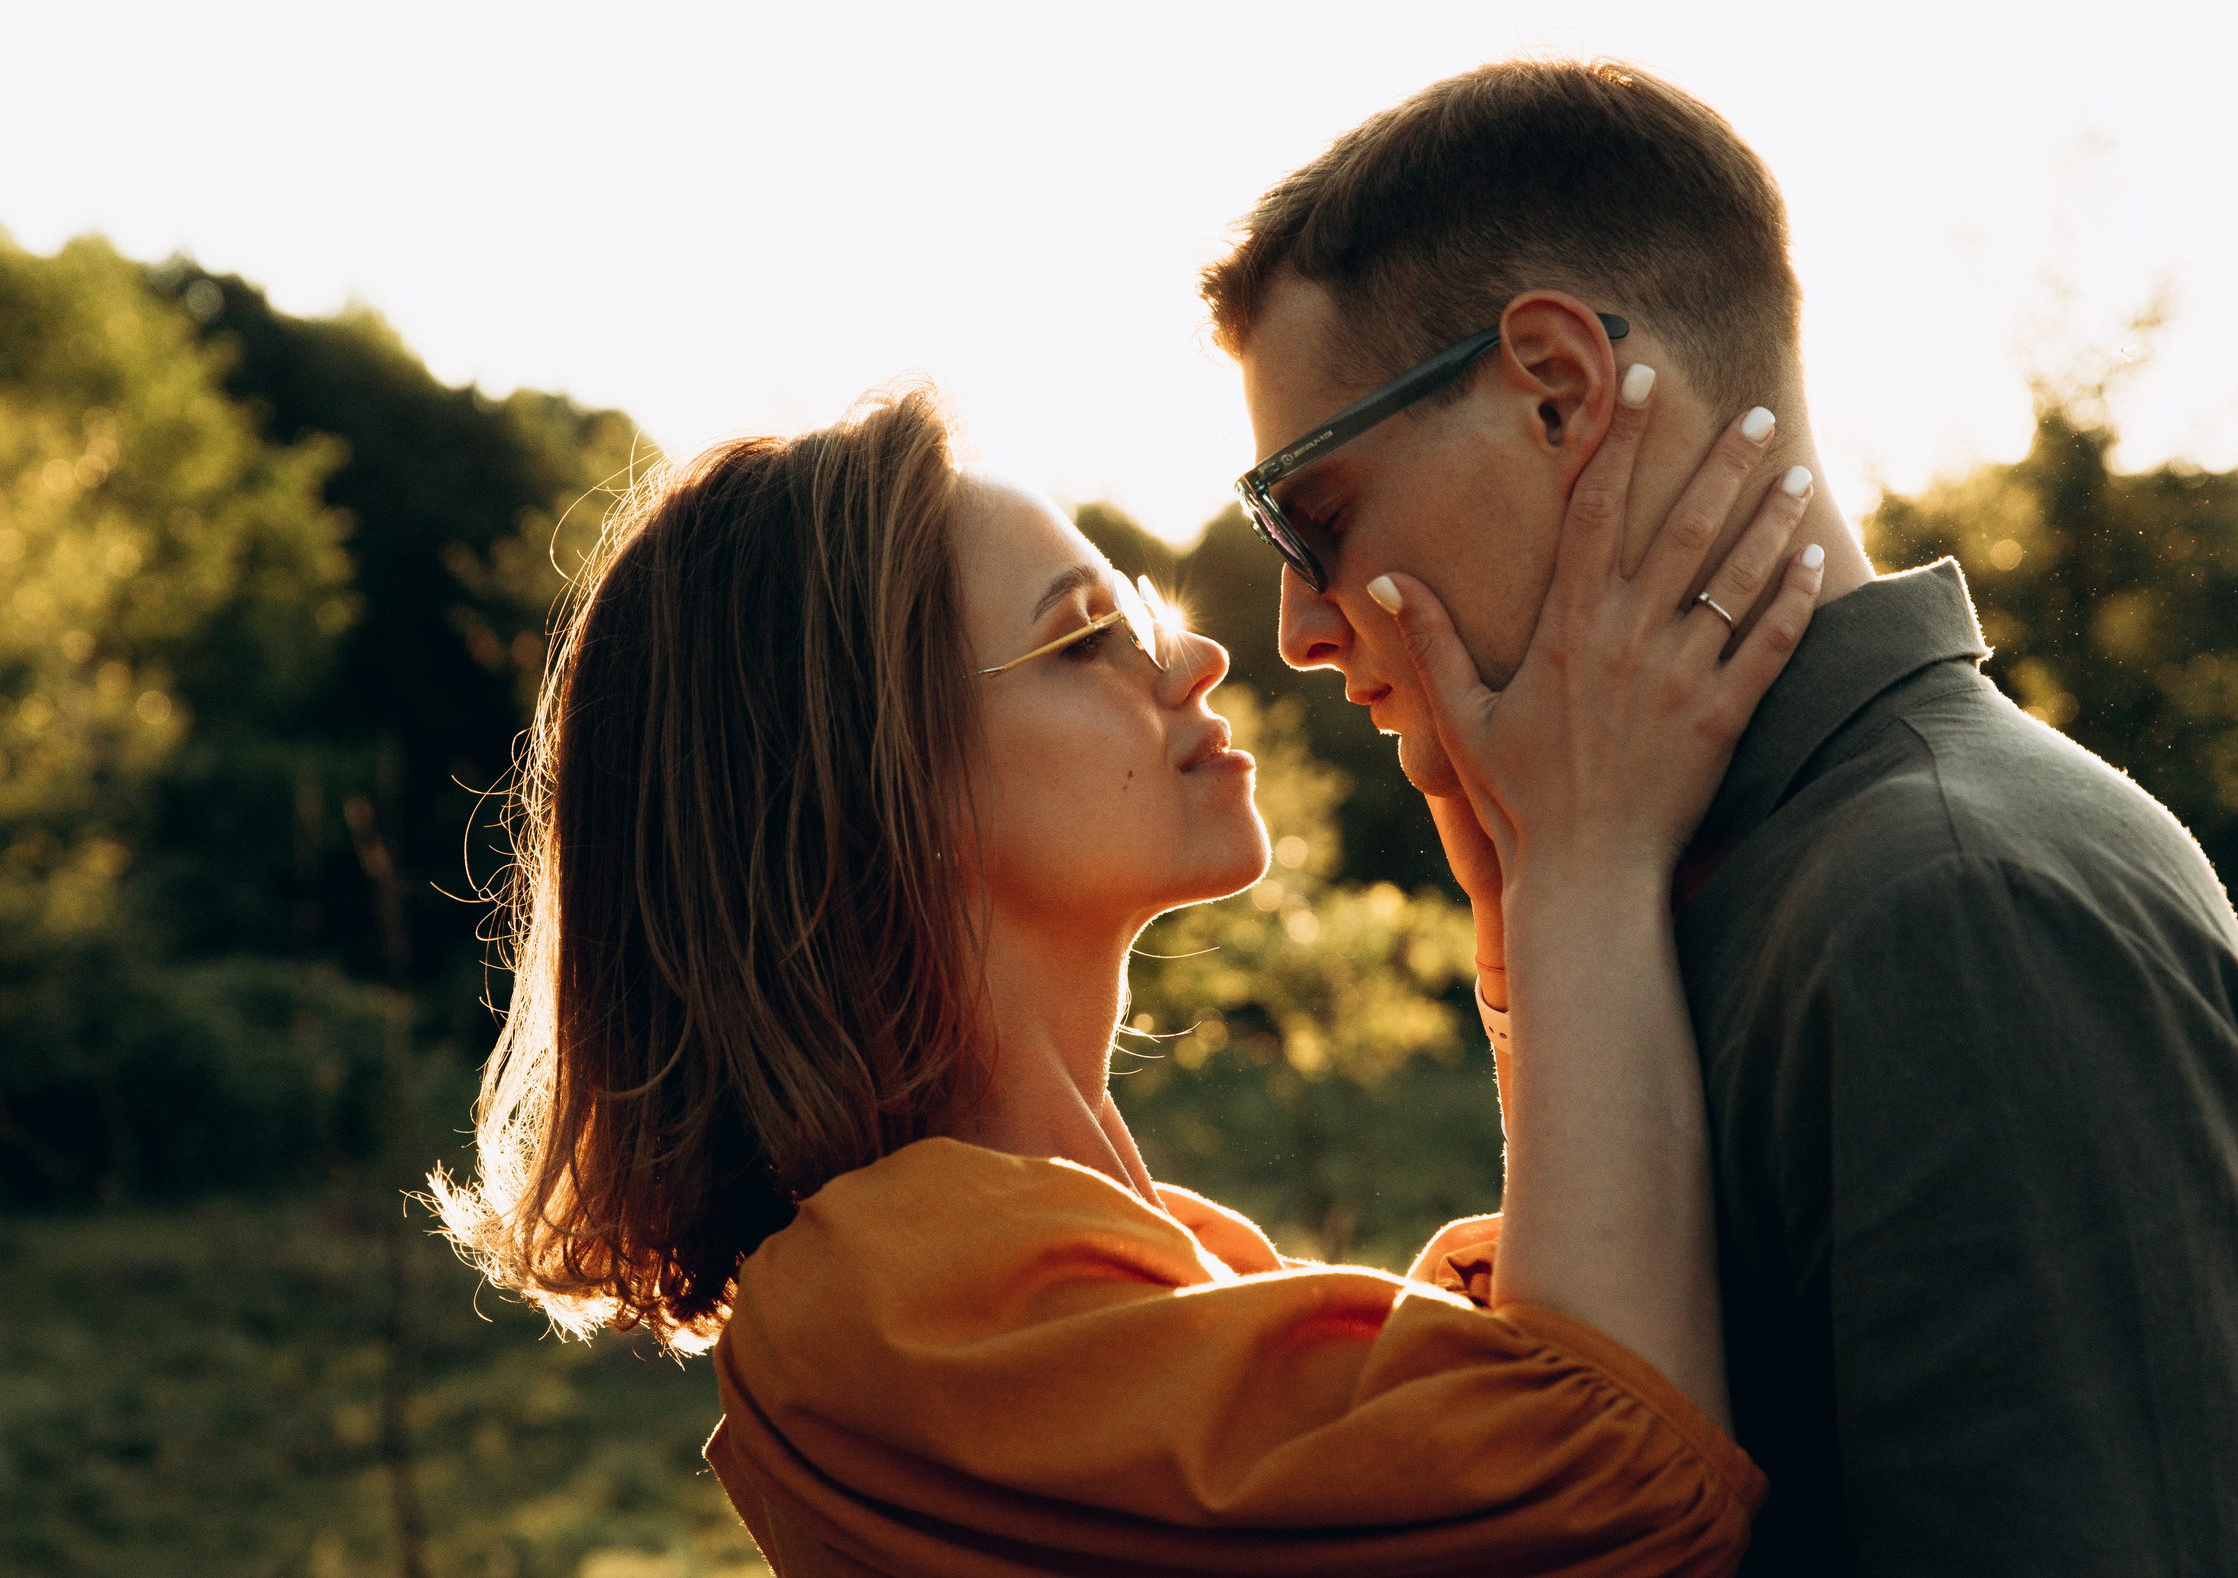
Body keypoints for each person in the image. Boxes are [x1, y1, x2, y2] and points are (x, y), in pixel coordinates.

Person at [1202, 56, 2238, 1575]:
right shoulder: (1717, 896)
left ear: (1559, 390)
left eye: (1315, 518)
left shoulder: (1954, 907)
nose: (1300, 627)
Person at [431, 377, 1820, 1575]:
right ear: (876, 784)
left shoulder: (1114, 1262)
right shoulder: (891, 1315)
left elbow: (1502, 1432)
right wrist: (1581, 863)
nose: (1201, 656)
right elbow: (1607, 1485)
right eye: (1088, 635)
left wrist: (1528, 911)